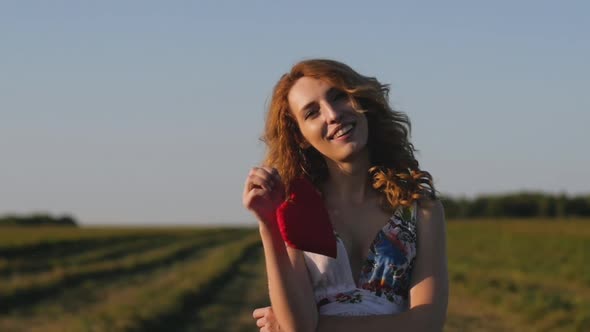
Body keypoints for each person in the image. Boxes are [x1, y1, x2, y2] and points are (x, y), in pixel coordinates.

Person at [242, 59, 448, 332]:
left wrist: (317, 326)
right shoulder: (296, 208)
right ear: (301, 136)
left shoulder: (421, 209)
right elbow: (298, 327)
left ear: (360, 99)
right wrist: (268, 222)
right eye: (312, 113)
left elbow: (426, 324)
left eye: (338, 97)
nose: (332, 114)